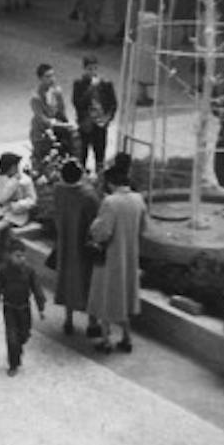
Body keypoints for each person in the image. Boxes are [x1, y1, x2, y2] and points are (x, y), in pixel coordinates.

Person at [85, 165, 146, 354]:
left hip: (110, 256)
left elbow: (102, 232)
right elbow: (143, 227)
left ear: (111, 183)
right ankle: (127, 337)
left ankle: (106, 340)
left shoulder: (110, 202)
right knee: (124, 298)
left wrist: (94, 226)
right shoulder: (138, 199)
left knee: (106, 297)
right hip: (129, 255)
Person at [50, 159, 101, 336]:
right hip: (83, 244)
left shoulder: (58, 191)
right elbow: (96, 219)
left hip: (65, 242)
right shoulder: (88, 195)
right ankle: (92, 323)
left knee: (67, 280)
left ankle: (68, 320)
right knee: (88, 282)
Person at [0, 238, 46, 376]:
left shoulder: (29, 271)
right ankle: (13, 364)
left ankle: (19, 347)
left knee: (24, 334)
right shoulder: (3, 271)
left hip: (24, 308)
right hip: (9, 308)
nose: (21, 259)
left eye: (22, 256)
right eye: (17, 256)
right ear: (10, 255)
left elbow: (37, 289)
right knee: (11, 337)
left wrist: (41, 308)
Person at [71, 54, 117, 174]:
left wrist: (107, 119)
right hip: (86, 124)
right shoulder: (79, 84)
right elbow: (78, 104)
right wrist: (91, 88)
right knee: (82, 154)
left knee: (100, 154)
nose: (92, 71)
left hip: (100, 124)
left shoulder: (106, 84)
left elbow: (113, 104)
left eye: (95, 68)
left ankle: (100, 177)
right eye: (89, 69)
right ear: (85, 69)